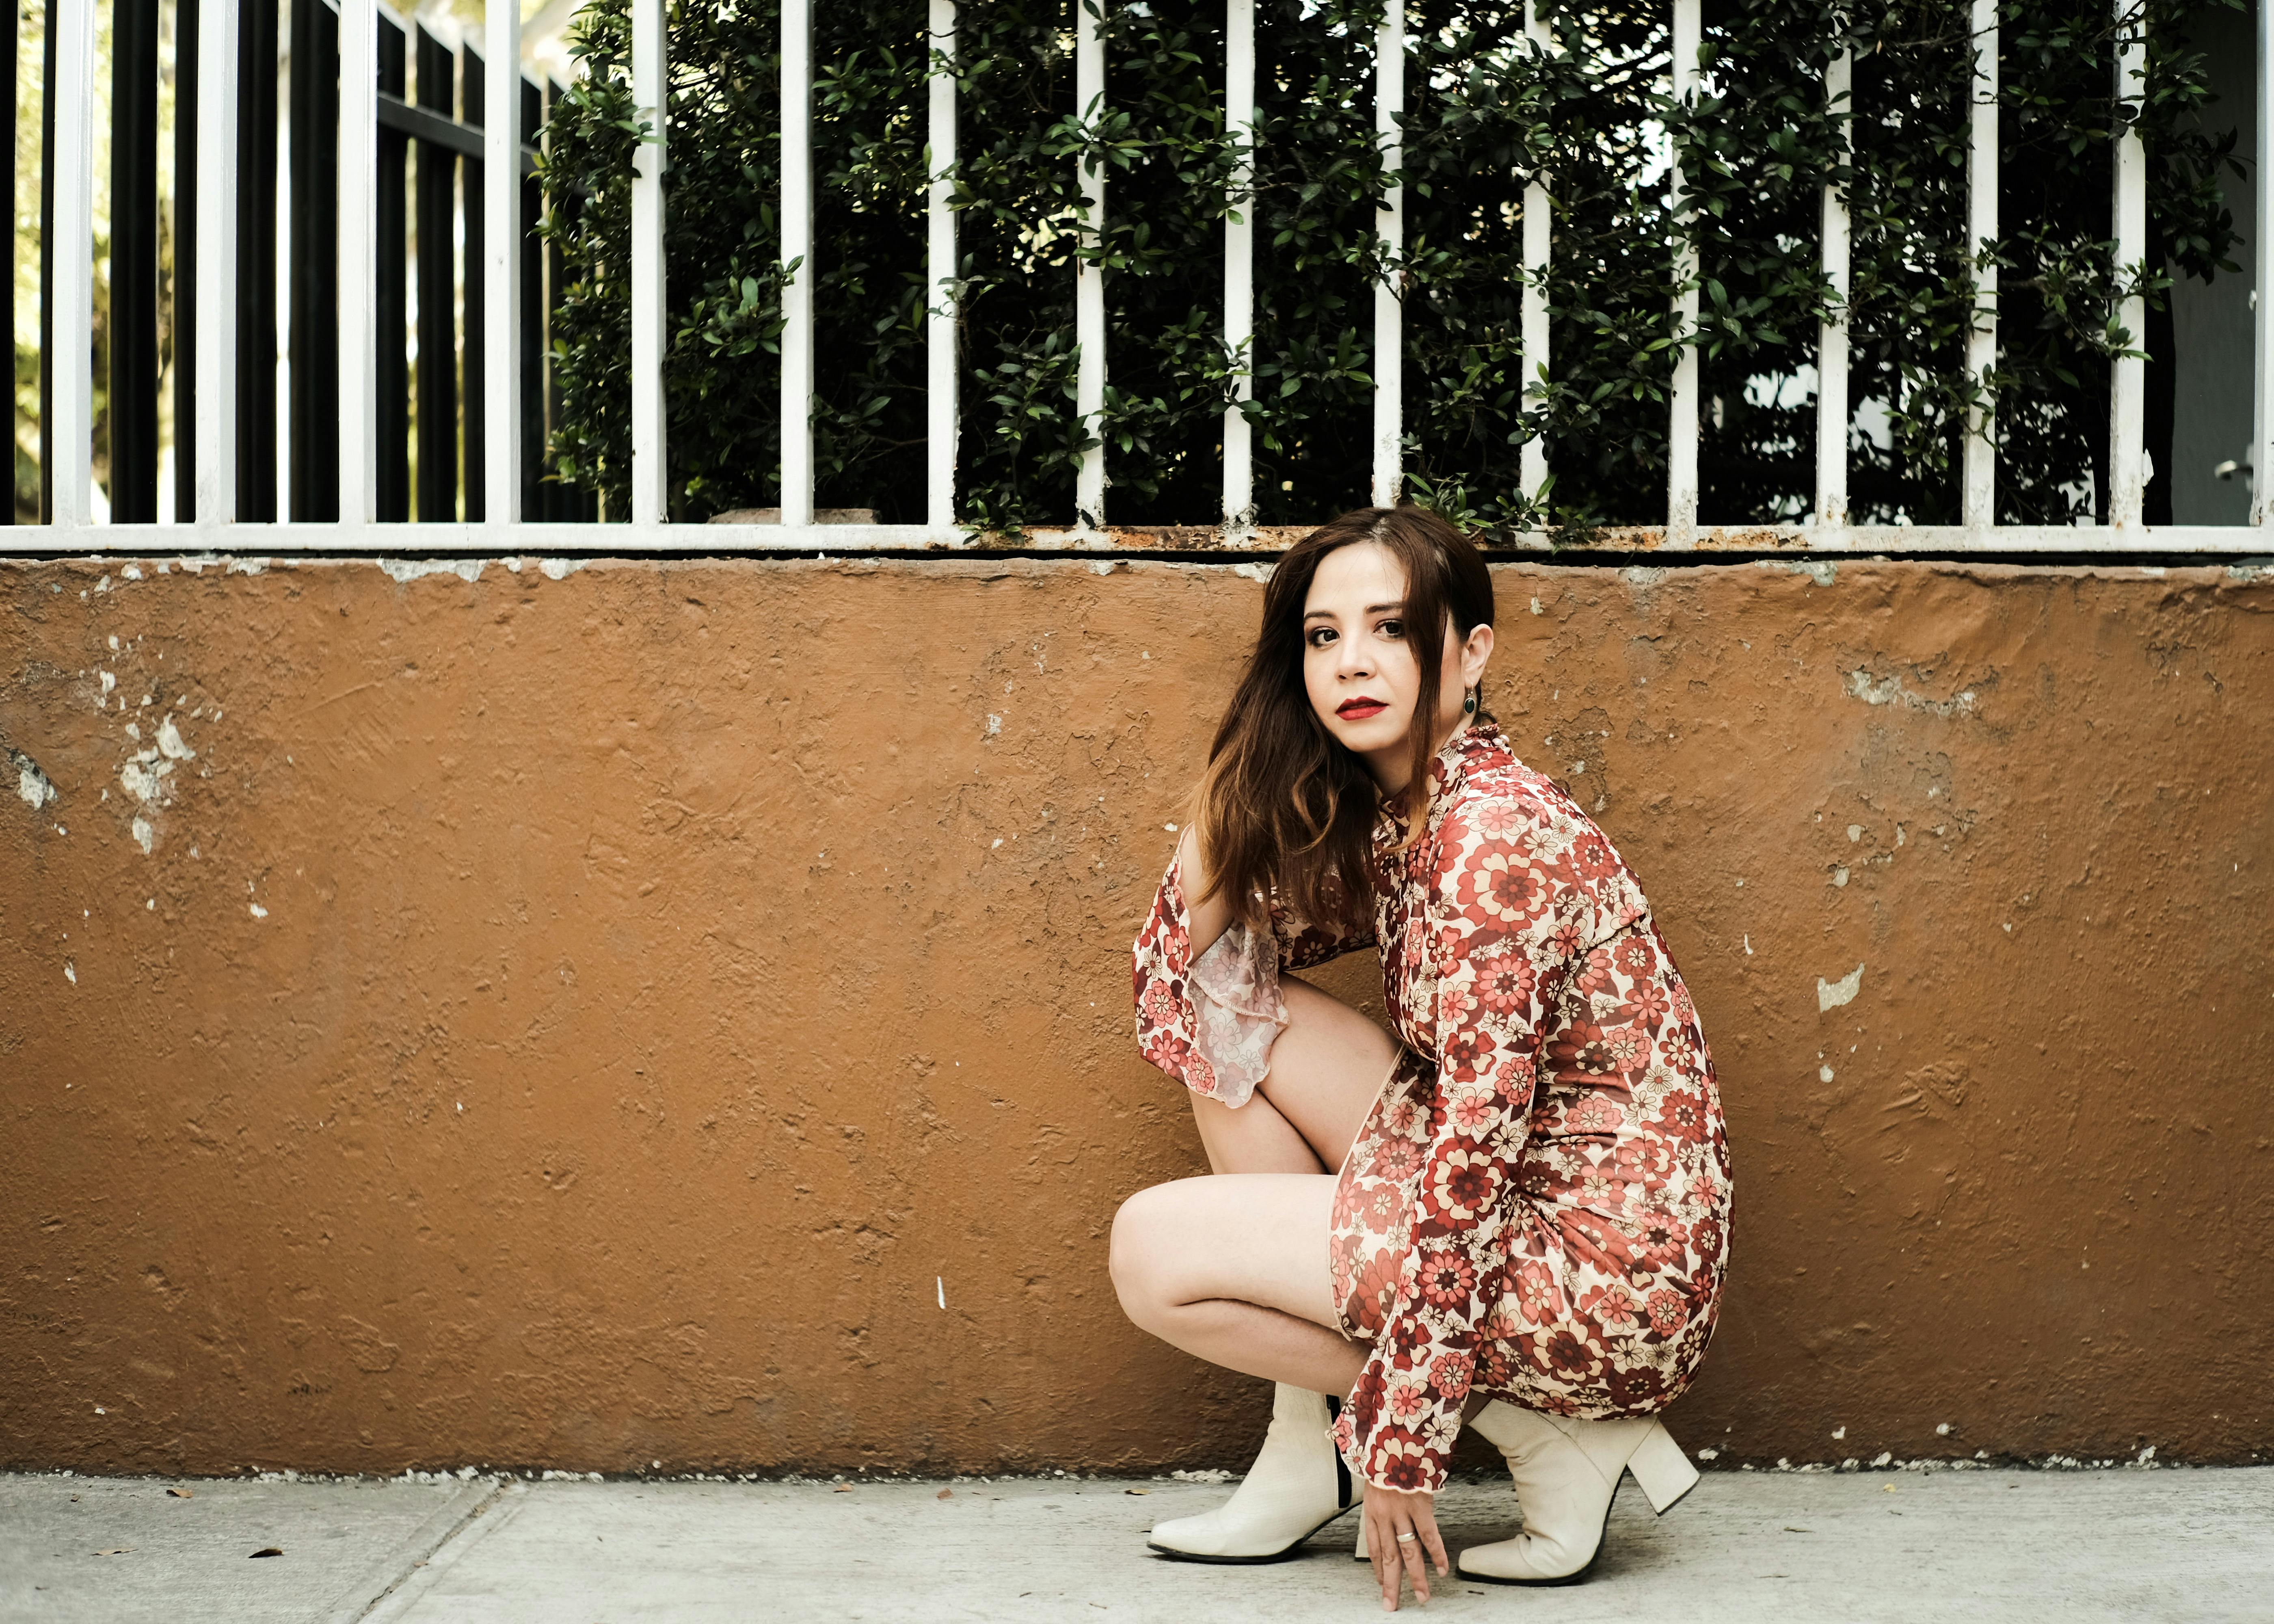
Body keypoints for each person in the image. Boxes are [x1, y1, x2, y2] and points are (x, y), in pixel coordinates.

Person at [1110, 506, 1733, 1611]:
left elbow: (1473, 1161)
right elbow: (1194, 963)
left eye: (1391, 628)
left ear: (1470, 651)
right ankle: (1308, 1458)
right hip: (1541, 1195)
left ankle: (1520, 1429)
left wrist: (1407, 1431)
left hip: (1598, 1265)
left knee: (1149, 1253)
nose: (1352, 661)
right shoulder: (1415, 812)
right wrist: (1253, 748)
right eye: (1319, 637)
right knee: (1227, 1009)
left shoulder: (1489, 838)